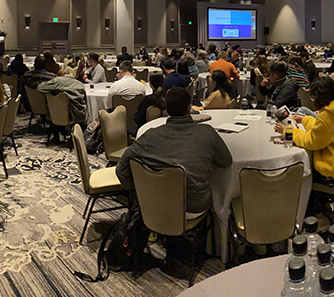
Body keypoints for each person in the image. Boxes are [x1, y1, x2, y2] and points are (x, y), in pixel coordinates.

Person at [115, 88, 232, 218]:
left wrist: (138, 191)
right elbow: (225, 161)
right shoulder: (207, 133)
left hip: (153, 204)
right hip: (193, 208)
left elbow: (121, 169)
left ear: (167, 108)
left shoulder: (149, 135)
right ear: (189, 109)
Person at [275, 77, 334, 195]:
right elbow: (325, 131)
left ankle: (315, 211)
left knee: (304, 175)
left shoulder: (327, 116)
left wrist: (288, 131)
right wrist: (305, 120)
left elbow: (311, 141)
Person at [37, 69, 86, 144]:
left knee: (54, 105)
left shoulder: (57, 81)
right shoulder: (80, 84)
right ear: (70, 74)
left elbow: (40, 88)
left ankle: (56, 135)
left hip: (57, 114)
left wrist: (53, 92)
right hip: (77, 115)